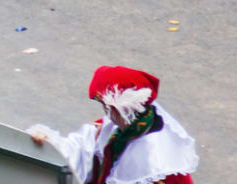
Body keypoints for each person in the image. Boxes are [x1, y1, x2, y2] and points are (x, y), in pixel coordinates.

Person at [28, 66, 195, 184]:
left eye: (110, 108)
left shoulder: (158, 162)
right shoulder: (111, 129)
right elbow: (79, 154)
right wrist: (48, 143)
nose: (108, 113)